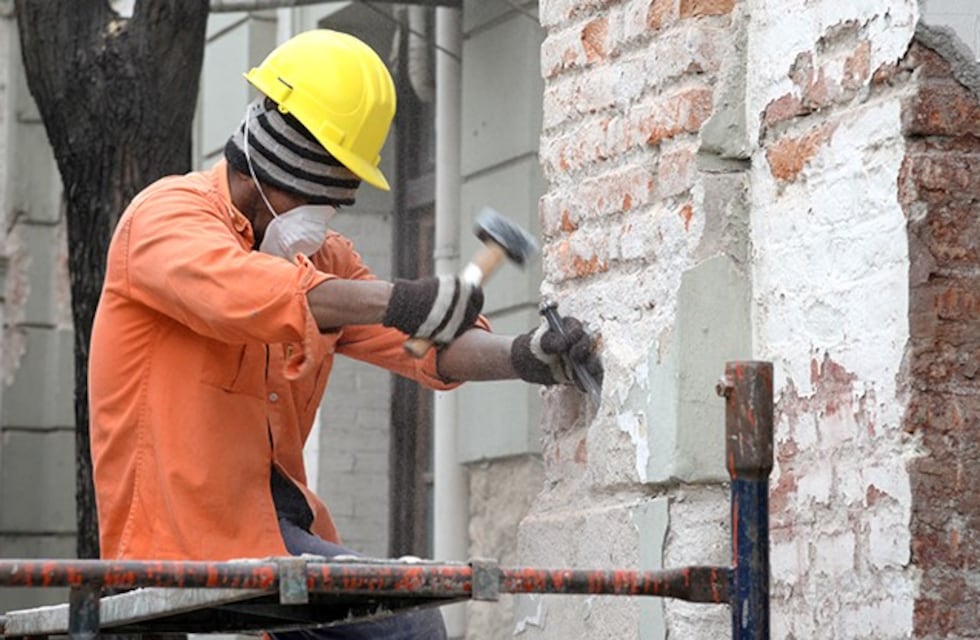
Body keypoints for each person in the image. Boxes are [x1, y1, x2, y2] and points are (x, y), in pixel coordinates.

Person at [87, 29, 602, 640]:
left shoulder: (322, 258)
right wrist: (401, 300)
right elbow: (247, 294)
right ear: (274, 165)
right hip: (176, 542)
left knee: (403, 618)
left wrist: (526, 355)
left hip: (277, 538)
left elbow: (428, 348)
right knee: (406, 626)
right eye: (320, 195)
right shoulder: (165, 217)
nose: (326, 216)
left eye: (338, 198)